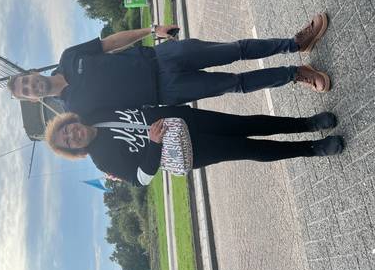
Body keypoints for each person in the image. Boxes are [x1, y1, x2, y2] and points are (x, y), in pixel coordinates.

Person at [8, 13, 330, 115]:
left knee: (235, 49)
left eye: (26, 80)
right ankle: (296, 74)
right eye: (26, 92)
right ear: (33, 99)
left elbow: (111, 42)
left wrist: (152, 30)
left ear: (33, 72)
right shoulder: (73, 110)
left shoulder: (69, 57)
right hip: (166, 90)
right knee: (236, 84)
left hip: (161, 56)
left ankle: (297, 43)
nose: (30, 86)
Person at [44, 105, 344, 187]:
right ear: (74, 150)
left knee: (248, 123)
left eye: (66, 130)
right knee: (250, 149)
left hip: (185, 119)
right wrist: (153, 145)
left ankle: (307, 123)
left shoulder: (96, 112)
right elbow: (140, 179)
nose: (72, 135)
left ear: (70, 121)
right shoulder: (102, 160)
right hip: (186, 150)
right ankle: (314, 148)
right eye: (68, 142)